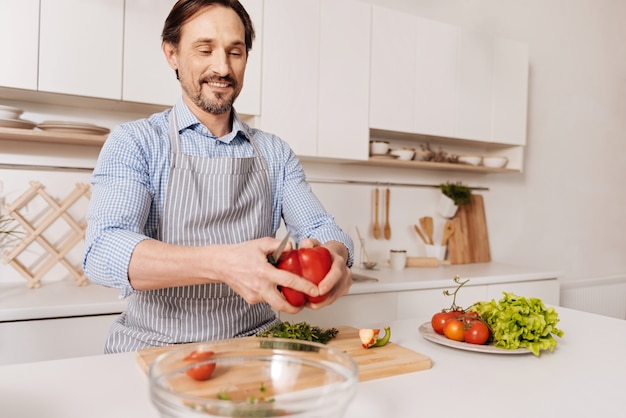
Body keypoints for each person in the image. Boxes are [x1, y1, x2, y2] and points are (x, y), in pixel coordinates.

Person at [83, 0, 354, 354]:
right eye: (205, 49)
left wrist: (335, 257)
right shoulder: (136, 142)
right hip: (152, 349)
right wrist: (221, 263)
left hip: (257, 348)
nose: (222, 67)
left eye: (235, 52)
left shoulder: (275, 153)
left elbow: (322, 227)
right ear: (172, 54)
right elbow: (103, 252)